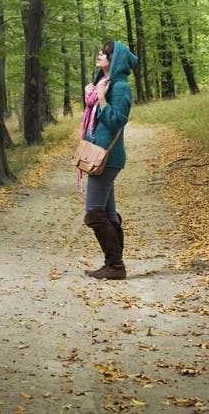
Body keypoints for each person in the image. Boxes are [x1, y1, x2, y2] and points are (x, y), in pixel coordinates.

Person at [80, 39, 138, 280]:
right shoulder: (102, 84)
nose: (100, 55)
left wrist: (102, 99)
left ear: (115, 61)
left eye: (105, 53)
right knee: (109, 215)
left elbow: (117, 121)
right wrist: (92, 95)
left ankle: (115, 266)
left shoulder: (120, 87)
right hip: (97, 154)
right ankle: (115, 265)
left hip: (107, 158)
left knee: (94, 213)